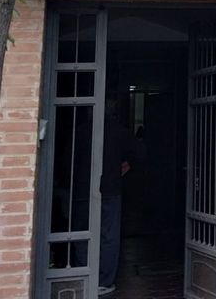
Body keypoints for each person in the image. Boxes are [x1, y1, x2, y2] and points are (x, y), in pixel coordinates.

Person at [98, 100, 138, 296]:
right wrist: (127, 164)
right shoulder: (119, 132)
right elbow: (139, 152)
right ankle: (104, 281)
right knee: (109, 235)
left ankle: (82, 275)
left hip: (81, 190)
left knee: (81, 231)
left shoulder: (80, 130)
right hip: (110, 188)